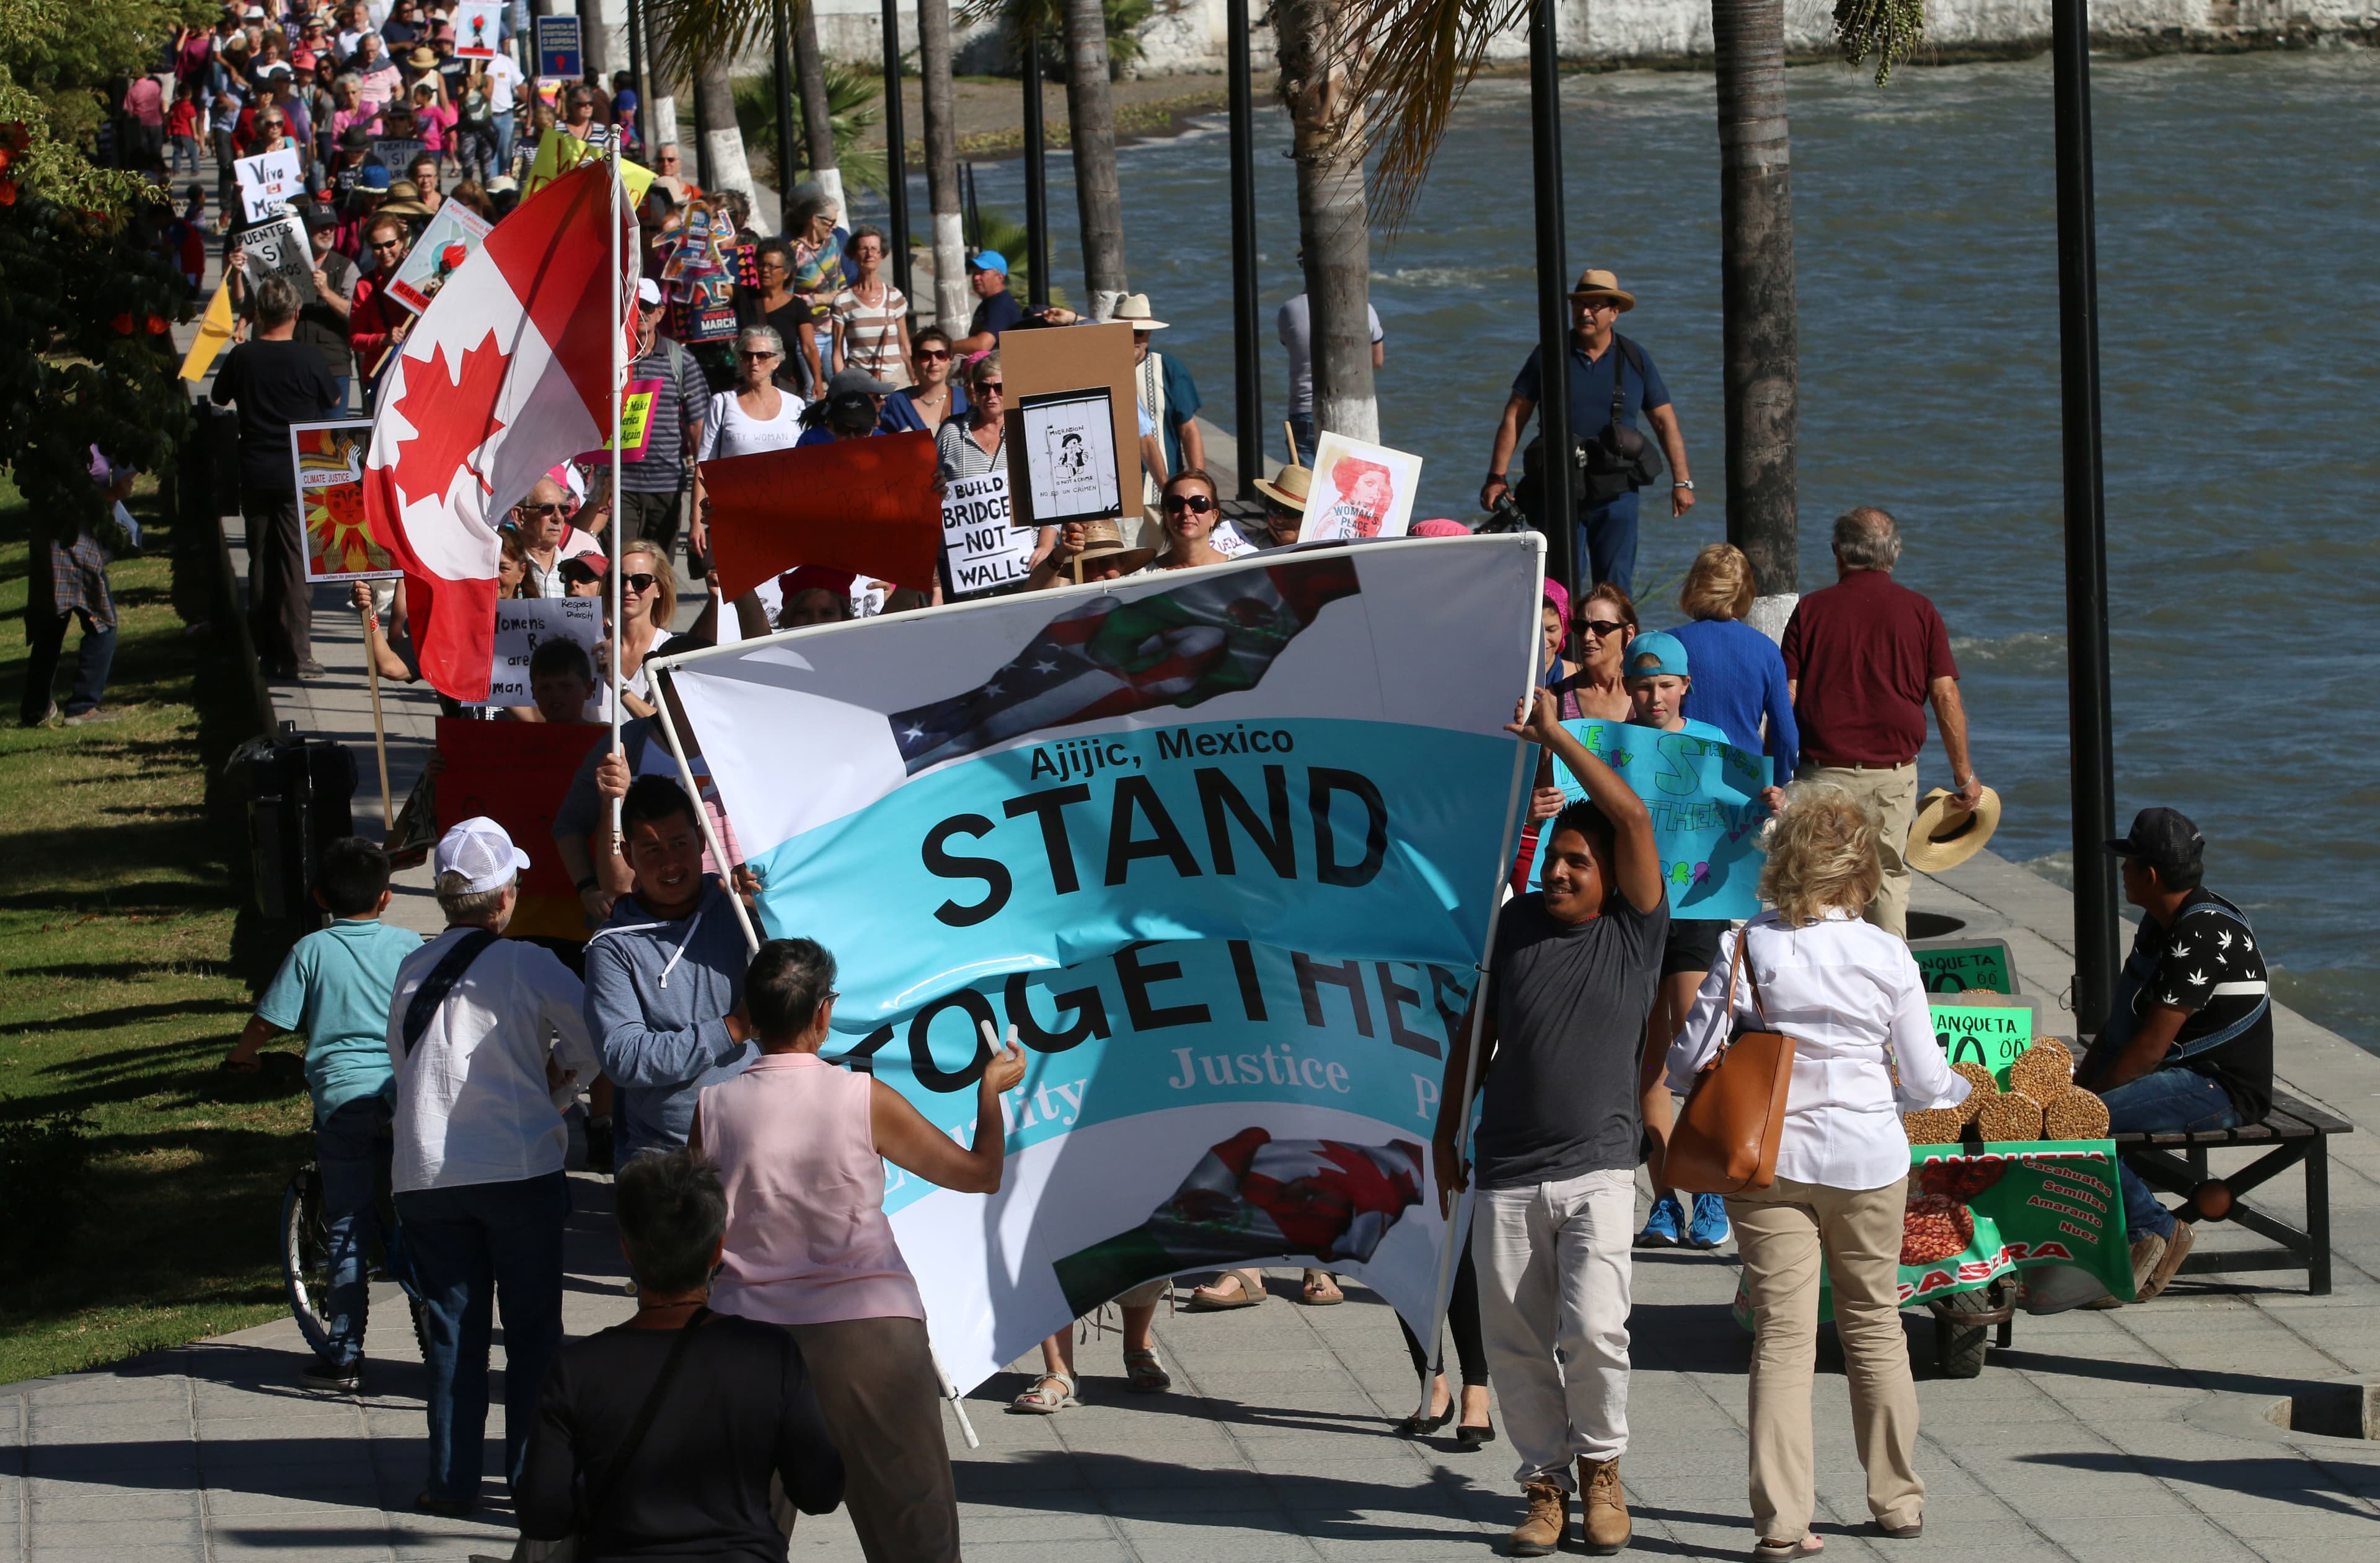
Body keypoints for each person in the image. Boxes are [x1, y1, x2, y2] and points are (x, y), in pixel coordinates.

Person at [1665, 783, 1968, 1557]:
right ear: (1860, 868)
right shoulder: (1887, 951)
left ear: (1785, 861)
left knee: (1783, 1338)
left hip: (1768, 1160)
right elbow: (1930, 1082)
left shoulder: (1746, 945)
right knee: (1875, 1327)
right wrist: (1961, 1091)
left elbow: (1687, 1060)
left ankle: (1782, 1523)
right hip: (1869, 1158)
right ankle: (1897, 1499)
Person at [693, 937, 1028, 1563]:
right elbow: (981, 1172)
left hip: (748, 1333)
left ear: (751, 1013)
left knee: (738, 1535)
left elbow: (697, 1232)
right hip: (870, 1330)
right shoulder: (862, 1097)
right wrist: (991, 1091)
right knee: (915, 1533)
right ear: (825, 1013)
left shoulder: (713, 1107)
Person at [1434, 686, 1668, 1558]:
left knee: (1597, 1328)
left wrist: (1554, 735)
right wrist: (1443, 1130)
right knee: (1518, 1340)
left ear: (1612, 877)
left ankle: (1602, 1467)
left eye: (1578, 862)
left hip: (1601, 1165)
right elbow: (1474, 1031)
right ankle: (1543, 1484)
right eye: (1554, 860)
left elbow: (1635, 816)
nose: (1560, 873)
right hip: (1504, 1169)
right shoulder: (1513, 926)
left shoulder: (1636, 930)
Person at [388, 817, 597, 1516]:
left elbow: (404, 1063)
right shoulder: (530, 963)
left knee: (454, 1329)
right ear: (506, 893)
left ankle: (449, 1481)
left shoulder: (412, 968)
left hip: (425, 1172)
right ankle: (532, 1480)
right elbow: (591, 1044)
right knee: (534, 1331)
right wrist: (560, 1091)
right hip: (517, 1166)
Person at [516, 1152, 846, 1557]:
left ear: (627, 1251)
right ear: (717, 1251)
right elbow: (819, 1492)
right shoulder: (770, 1355)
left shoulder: (576, 1370)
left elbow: (543, 1516)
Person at [222, 838, 422, 1389]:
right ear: (386, 898)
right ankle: (434, 1299)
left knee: (349, 1226)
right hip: (406, 1096)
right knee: (418, 1208)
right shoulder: (408, 944)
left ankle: (345, 1353)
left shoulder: (311, 951)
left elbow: (269, 1021)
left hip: (343, 1106)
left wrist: (242, 1058)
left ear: (317, 896)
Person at [2079, 807, 2273, 1303]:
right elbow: (2121, 1024)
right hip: (2183, 1071)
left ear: (2148, 875)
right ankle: (2126, 1240)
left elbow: (2147, 1050)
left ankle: (2155, 1229)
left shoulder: (2201, 933)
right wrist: (2076, 1086)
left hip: (2221, 1087)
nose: (2120, 871)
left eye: (2127, 863)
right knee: (2072, 1115)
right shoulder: (2158, 923)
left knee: (2076, 1127)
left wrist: (2080, 1107)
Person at [1779, 506, 1981, 938]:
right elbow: (1945, 695)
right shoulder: (1920, 612)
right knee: (1887, 879)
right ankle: (1891, 987)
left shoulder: (1811, 611)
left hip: (1821, 773)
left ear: (1838, 553)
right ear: (1895, 554)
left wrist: (1777, 771)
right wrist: (1964, 776)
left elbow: (1787, 696)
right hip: (1893, 775)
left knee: (1818, 881)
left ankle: (1816, 987)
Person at [1609, 630, 1739, 1256]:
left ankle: (1709, 1187)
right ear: (1627, 687)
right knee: (1650, 1054)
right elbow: (1582, 813)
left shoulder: (1712, 742)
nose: (1654, 695)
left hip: (1696, 910)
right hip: (1634, 910)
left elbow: (1738, 814)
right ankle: (1663, 1195)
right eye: (1643, 684)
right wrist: (1547, 803)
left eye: (1665, 684)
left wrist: (1764, 802)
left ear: (1686, 685)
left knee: (1699, 1039)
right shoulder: (1609, 745)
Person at [1480, 269, 1695, 595]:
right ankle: (1558, 648)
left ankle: (1614, 647)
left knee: (1614, 591)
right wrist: (1497, 476)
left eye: (1594, 306)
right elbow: (1515, 415)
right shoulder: (1549, 355)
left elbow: (1665, 421)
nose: (1584, 313)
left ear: (1614, 312)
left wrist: (1682, 482)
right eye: (1579, 305)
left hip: (1617, 494)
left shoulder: (1635, 359)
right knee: (1557, 589)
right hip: (1559, 490)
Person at [583, 776, 759, 1166]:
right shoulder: (612, 948)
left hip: (761, 1142)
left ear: (701, 840)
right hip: (665, 1159)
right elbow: (624, 1057)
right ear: (627, 855)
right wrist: (732, 1029)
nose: (669, 864)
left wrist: (768, 908)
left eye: (680, 844)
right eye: (651, 850)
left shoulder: (741, 910)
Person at [213, 275, 340, 680]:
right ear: (297, 314)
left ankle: (265, 651)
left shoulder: (243, 357)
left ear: (260, 314)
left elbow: (219, 398)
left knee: (261, 561)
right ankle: (299, 653)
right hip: (300, 474)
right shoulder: (310, 359)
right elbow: (333, 399)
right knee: (296, 566)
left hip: (254, 469)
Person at [1670, 540, 1799, 778]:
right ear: (1745, 590)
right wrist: (1778, 783)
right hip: (1745, 783)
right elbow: (1787, 737)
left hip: (1681, 777)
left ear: (1694, 587)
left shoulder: (1670, 645)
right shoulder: (1767, 651)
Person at [21, 451, 130, 729]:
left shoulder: (72, 432)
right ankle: (83, 706)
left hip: (55, 541)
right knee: (103, 623)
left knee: (51, 622)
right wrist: (112, 494)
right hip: (72, 543)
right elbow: (70, 498)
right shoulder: (74, 443)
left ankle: (36, 708)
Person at [623, 278, 712, 570]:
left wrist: (699, 507)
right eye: (633, 306)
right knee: (620, 570)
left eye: (647, 307)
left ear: (661, 313)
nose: (640, 312)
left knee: (657, 574)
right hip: (618, 486)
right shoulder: (611, 358)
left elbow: (700, 430)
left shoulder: (680, 360)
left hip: (667, 486)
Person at [1277, 284, 1383, 465]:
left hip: (1304, 408)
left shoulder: (1289, 309)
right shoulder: (1365, 309)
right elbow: (1377, 360)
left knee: (1305, 488)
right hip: (1351, 410)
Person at [1117, 293, 1205, 485]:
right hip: (1117, 487)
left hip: (1164, 487)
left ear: (1149, 333)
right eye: (1126, 331)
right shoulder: (1098, 370)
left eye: (1139, 332)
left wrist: (1199, 482)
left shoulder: (1169, 368)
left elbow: (1189, 430)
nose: (1133, 338)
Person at [829, 225, 910, 389]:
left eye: (874, 249)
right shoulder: (843, 301)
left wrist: (914, 378)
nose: (870, 253)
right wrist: (842, 388)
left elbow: (905, 347)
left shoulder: (895, 297)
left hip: (896, 383)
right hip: (860, 384)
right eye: (864, 248)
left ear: (882, 255)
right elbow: (837, 352)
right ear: (853, 254)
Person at [742, 237, 824, 397]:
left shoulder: (798, 306)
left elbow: (809, 347)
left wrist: (818, 381)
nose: (765, 270)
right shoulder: (744, 297)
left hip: (786, 387)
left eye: (772, 266)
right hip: (750, 386)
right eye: (762, 265)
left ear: (786, 273)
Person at [294, 205, 357, 410]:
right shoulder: (290, 266)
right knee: (299, 437)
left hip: (334, 366)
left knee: (332, 438)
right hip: (296, 365)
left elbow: (354, 312)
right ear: (306, 228)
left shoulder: (346, 267)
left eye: (331, 226)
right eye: (321, 226)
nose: (328, 231)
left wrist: (326, 293)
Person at [510, 477, 601, 598]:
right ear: (519, 516)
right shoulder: (503, 570)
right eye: (547, 509)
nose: (558, 517)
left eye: (564, 509)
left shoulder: (579, 574)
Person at [880, 325, 964, 434]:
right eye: (925, 356)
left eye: (941, 355)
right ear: (913, 362)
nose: (934, 362)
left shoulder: (965, 400)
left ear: (950, 361)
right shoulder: (895, 404)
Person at [1150, 467, 1230, 571]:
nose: (1186, 512)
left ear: (1214, 517)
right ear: (1165, 518)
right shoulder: (1143, 576)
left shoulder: (1242, 569)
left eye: (1198, 504)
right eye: (1176, 504)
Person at [953, 249, 1021, 353]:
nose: (976, 278)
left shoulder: (1001, 304)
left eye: (982, 273)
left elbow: (983, 344)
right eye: (975, 273)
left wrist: (946, 347)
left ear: (999, 278)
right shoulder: (988, 304)